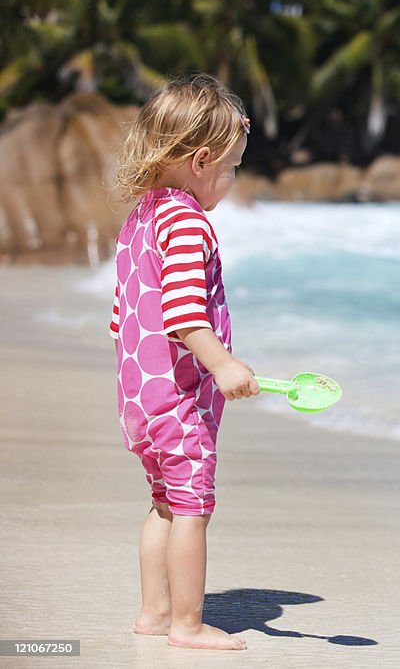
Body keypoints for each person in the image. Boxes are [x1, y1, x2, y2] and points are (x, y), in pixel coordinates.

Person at [109, 73, 258, 651]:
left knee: (164, 503)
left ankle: (153, 613)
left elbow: (122, 315)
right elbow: (183, 313)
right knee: (193, 504)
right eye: (233, 166)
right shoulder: (189, 221)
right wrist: (223, 365)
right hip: (178, 398)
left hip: (139, 396)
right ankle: (187, 625)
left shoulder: (142, 216)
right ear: (201, 160)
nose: (233, 178)